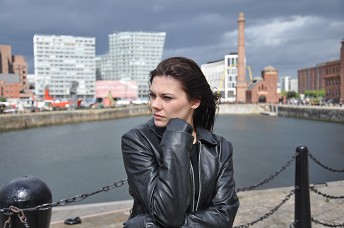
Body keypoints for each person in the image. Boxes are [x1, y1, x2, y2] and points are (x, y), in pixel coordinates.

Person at [121, 57, 239, 227]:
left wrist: (145, 224)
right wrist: (176, 136)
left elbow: (225, 214)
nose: (155, 104)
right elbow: (168, 214)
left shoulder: (219, 148)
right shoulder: (137, 141)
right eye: (152, 95)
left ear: (195, 101)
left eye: (166, 97)